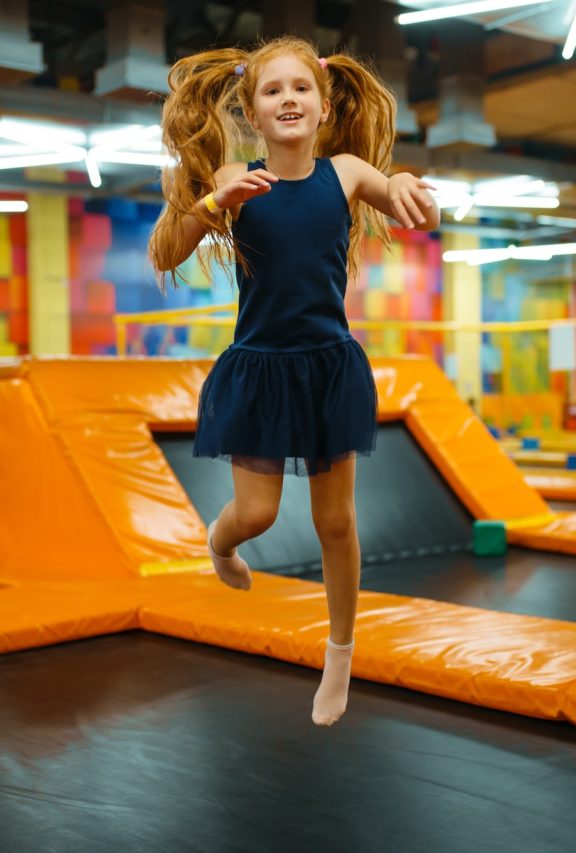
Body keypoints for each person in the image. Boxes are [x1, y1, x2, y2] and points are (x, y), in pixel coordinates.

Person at [149, 36, 440, 726]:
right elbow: (165, 250)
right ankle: (220, 543)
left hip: (329, 366)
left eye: (300, 88)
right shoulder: (236, 178)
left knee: (336, 522)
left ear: (325, 102)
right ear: (253, 110)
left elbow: (389, 187)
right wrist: (209, 200)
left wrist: (398, 184)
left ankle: (340, 654)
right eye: (273, 90)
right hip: (260, 369)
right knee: (256, 516)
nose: (288, 99)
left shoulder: (344, 172)